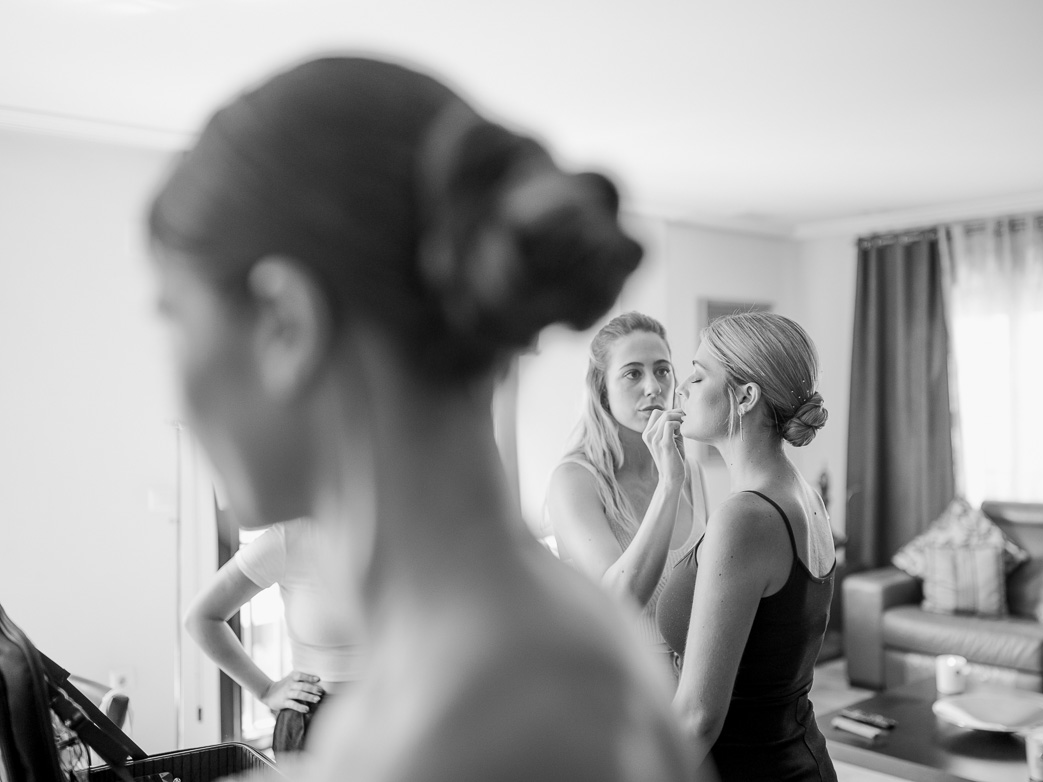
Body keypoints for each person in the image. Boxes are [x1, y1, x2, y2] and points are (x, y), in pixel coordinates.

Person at [148, 56, 701, 780]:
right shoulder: (504, 655)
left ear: (286, 324)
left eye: (174, 317)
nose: (176, 392)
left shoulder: (485, 725)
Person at [657, 312, 839, 781]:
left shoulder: (746, 517)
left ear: (745, 396)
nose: (682, 387)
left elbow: (698, 717)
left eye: (698, 375)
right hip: (797, 758)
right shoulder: (801, 493)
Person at [546, 312, 707, 671]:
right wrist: (668, 484)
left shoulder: (691, 472)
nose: (653, 387)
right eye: (633, 373)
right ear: (601, 388)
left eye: (662, 370)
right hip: (626, 682)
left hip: (696, 679)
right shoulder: (575, 480)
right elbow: (617, 602)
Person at [185, 518, 363, 763]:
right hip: (313, 726)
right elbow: (201, 618)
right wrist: (266, 690)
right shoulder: (288, 538)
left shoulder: (418, 529)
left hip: (405, 712)